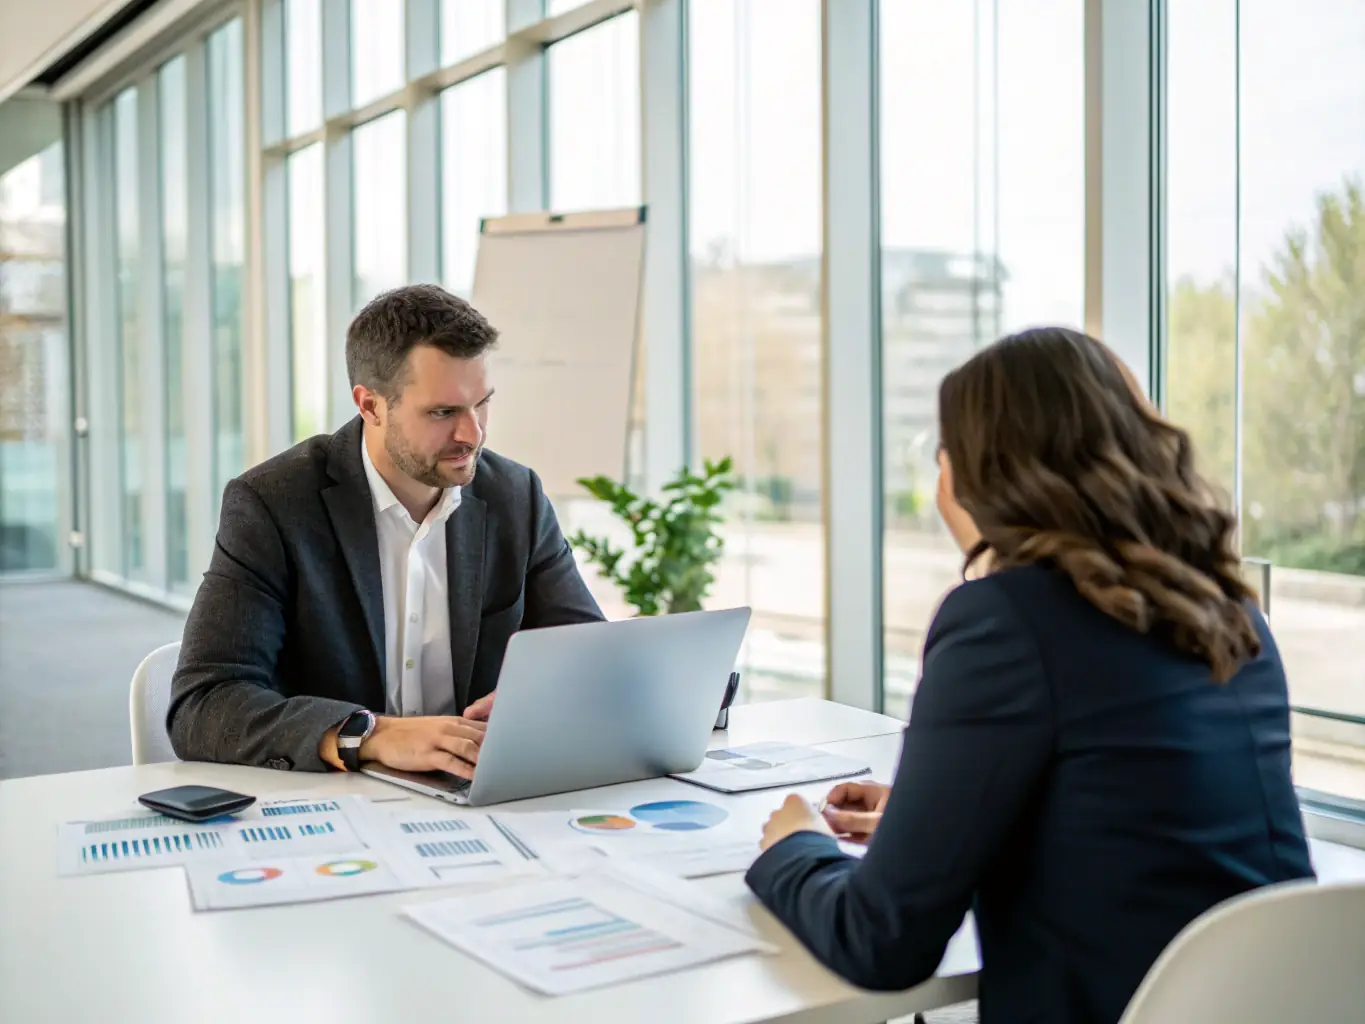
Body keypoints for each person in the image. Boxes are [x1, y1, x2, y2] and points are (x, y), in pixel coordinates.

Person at [746, 327, 1315, 1024]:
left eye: (943, 457)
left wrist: (794, 847)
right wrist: (933, 816)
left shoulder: (1001, 622)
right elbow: (1146, 816)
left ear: (987, 472)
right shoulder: (1229, 613)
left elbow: (881, 942)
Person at [168, 284, 603, 775]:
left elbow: (589, 653)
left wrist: (541, 693)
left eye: (481, 404)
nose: (473, 434)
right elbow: (203, 705)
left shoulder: (515, 497)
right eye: (443, 412)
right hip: (334, 803)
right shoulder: (274, 504)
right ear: (371, 405)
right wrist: (369, 734)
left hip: (475, 793)